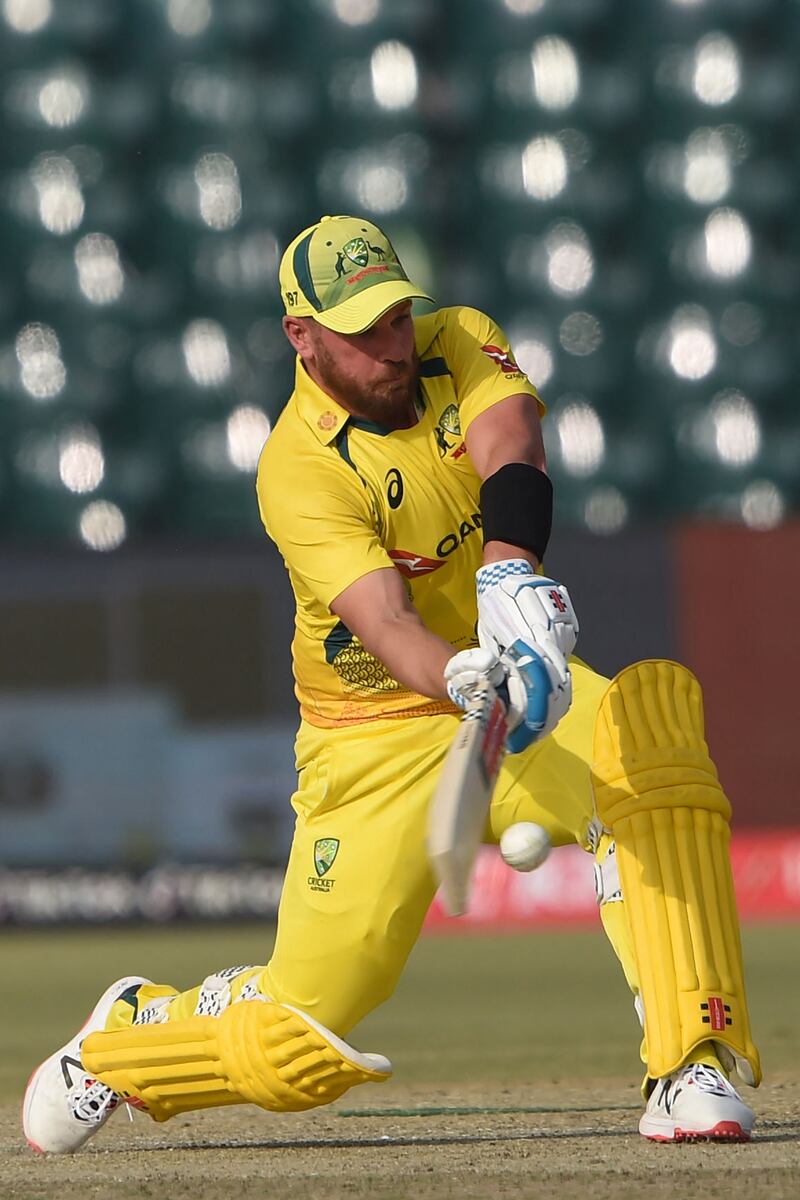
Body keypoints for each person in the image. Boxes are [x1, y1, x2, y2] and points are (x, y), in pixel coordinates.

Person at [23, 214, 761, 1154]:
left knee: (648, 736)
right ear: (302, 336)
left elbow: (515, 449)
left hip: (516, 678)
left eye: (397, 315)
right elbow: (391, 628)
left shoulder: (457, 338)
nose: (393, 344)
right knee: (300, 1045)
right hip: (370, 737)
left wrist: (509, 577)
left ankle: (693, 1059)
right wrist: (463, 676)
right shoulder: (297, 468)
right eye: (363, 329)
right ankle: (124, 1041)